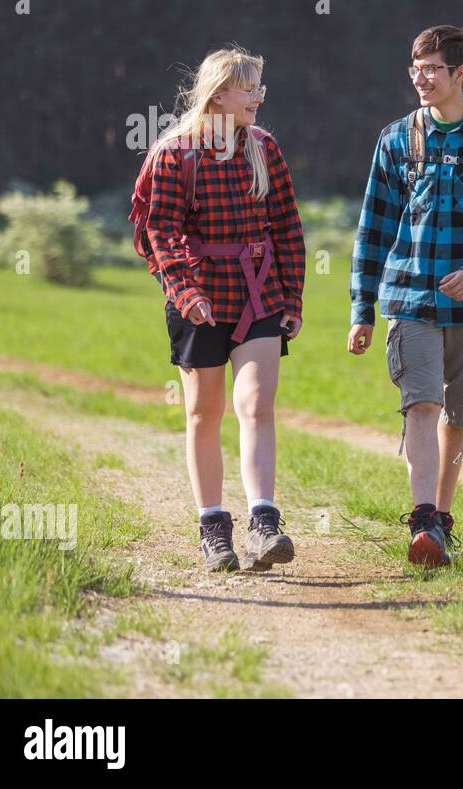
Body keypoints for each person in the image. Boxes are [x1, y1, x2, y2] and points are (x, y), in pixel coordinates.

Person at [348, 25, 463, 566]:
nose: (420, 78)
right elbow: (372, 229)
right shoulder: (396, 139)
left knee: (459, 414)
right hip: (409, 299)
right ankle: (422, 520)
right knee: (421, 404)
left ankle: (442, 520)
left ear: (460, 74)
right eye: (415, 67)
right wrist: (362, 309)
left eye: (431, 69)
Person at [145, 45, 306, 572]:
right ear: (219, 95)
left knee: (257, 404)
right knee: (203, 412)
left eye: (260, 87)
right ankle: (214, 528)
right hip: (198, 296)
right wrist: (187, 295)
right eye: (249, 88)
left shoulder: (265, 149)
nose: (258, 96)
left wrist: (292, 297)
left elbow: (286, 228)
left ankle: (264, 522)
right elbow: (161, 231)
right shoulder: (175, 153)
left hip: (258, 293)